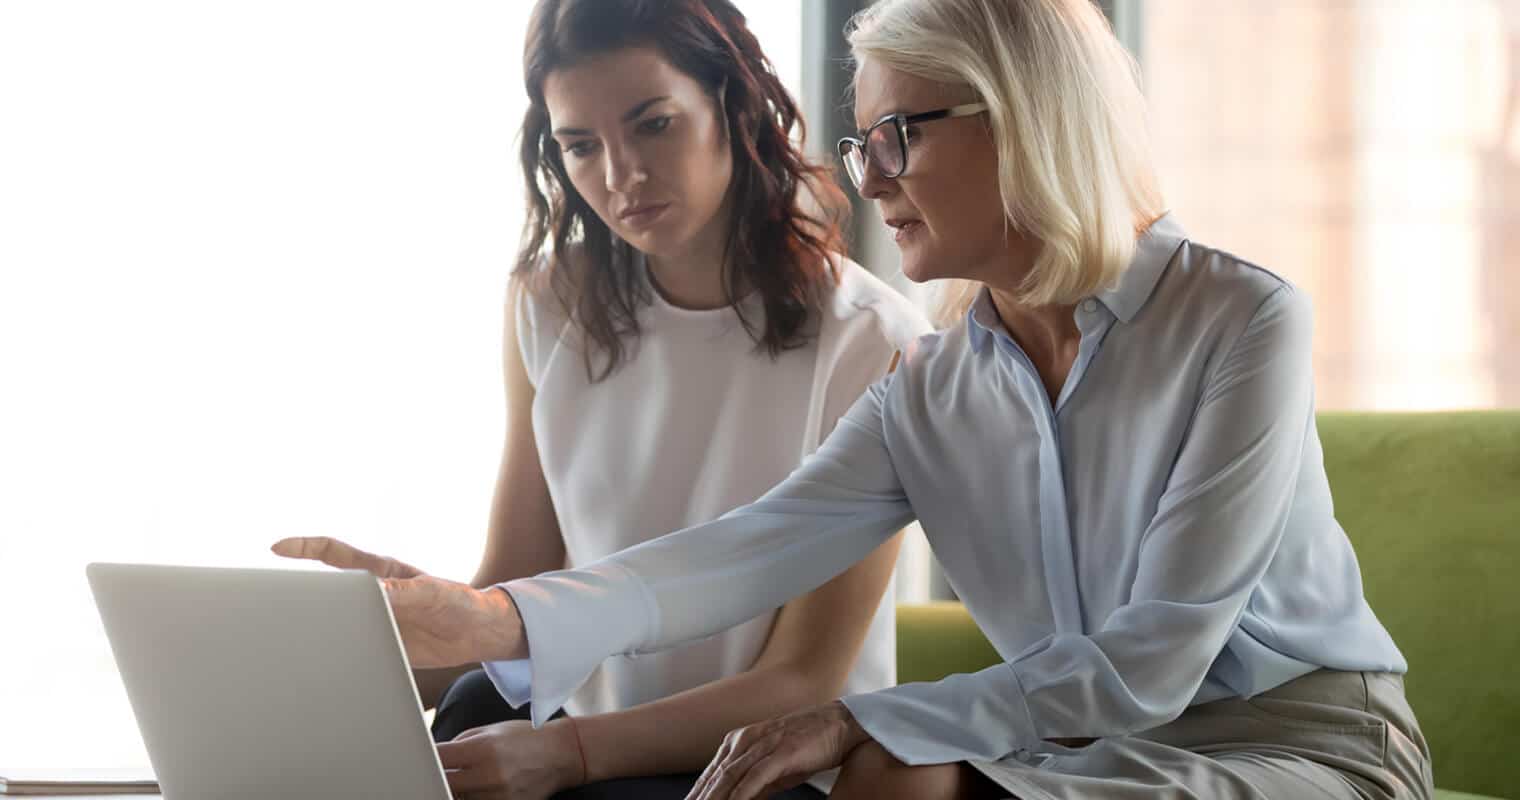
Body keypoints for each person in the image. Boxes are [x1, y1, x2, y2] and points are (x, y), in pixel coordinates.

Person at [279, 0, 1435, 798]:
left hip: (1303, 745)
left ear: (1024, 117)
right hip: (1079, 752)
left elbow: (1149, 660)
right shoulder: (931, 383)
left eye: (898, 133)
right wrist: (497, 622)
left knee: (885, 755)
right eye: (860, 136)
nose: (868, 175)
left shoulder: (1239, 319)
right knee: (891, 769)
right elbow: (735, 552)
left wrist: (852, 714)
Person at [275, 1, 930, 798]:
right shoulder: (550, 303)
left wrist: (566, 754)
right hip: (581, 737)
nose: (620, 177)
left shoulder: (871, 339)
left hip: (763, 766)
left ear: (734, 104)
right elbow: (516, 581)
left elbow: (804, 681)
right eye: (580, 145)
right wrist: (360, 651)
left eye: (653, 125)